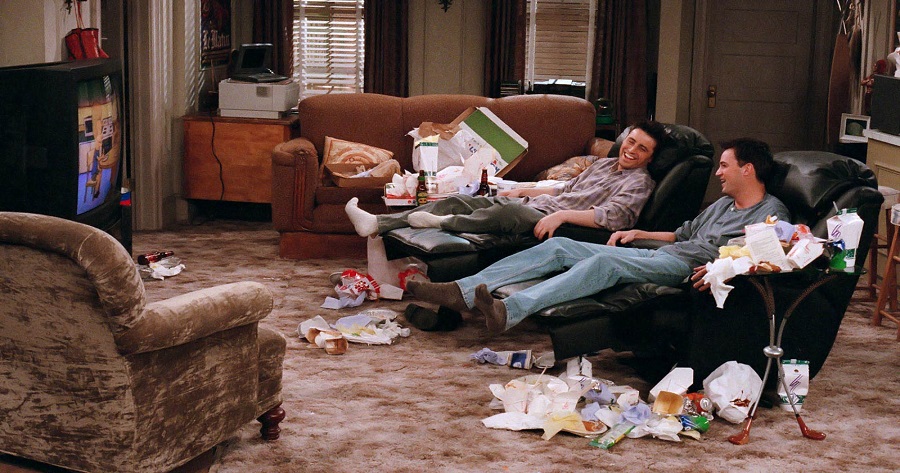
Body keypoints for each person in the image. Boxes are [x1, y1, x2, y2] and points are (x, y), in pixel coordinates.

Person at [407, 138, 790, 334]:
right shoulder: (722, 204)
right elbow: (680, 234)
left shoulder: (771, 214)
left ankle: (511, 311)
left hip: (686, 269)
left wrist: (721, 267)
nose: (719, 173)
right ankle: (461, 290)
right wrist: (638, 231)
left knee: (603, 262)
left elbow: (766, 256)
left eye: (725, 166)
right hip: (663, 253)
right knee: (559, 246)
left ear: (748, 169)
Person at [345, 120, 671, 240]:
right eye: (631, 142)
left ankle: (442, 224)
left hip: (557, 221)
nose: (631, 150)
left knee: (507, 213)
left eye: (642, 149)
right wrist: (520, 190)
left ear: (650, 157)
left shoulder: (639, 183)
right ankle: (377, 224)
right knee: (464, 199)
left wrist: (561, 215)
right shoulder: (606, 164)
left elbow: (614, 217)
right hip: (542, 205)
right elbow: (566, 187)